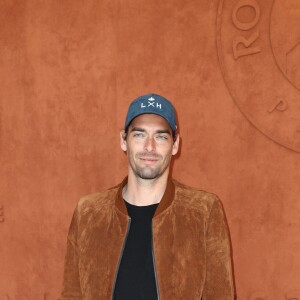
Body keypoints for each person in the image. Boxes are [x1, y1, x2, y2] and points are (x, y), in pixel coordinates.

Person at [60, 93, 235, 300]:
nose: (149, 147)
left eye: (161, 136)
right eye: (139, 135)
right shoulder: (89, 211)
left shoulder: (203, 210)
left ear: (175, 144)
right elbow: (72, 295)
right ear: (123, 141)